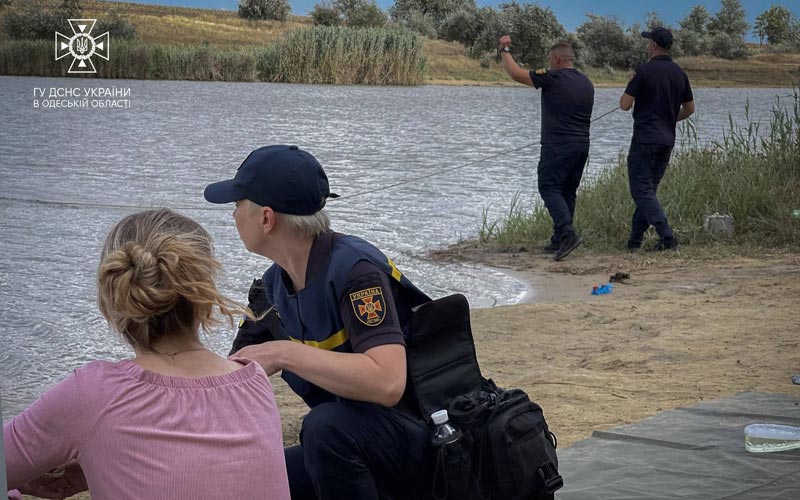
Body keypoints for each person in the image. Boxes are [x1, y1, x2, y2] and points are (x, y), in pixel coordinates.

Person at [4, 209, 290, 500]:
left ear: (113, 296)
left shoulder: (96, 391)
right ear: (204, 296)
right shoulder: (254, 381)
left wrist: (19, 486)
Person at [204, 145, 434, 500]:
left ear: (266, 218)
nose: (233, 215)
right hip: (356, 444)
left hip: (420, 443)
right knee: (251, 476)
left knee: (323, 428)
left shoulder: (357, 272)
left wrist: (283, 354)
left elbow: (388, 382)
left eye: (237, 204)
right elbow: (228, 376)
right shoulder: (271, 288)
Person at [498, 36, 595, 261]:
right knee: (568, 191)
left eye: (551, 59)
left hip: (558, 145)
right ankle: (559, 238)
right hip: (582, 145)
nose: (550, 63)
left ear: (558, 58)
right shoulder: (586, 81)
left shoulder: (554, 77)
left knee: (548, 187)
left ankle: (568, 233)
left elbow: (516, 74)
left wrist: (504, 49)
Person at [619, 27, 695, 251]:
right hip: (667, 139)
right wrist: (670, 120)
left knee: (640, 190)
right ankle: (634, 241)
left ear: (653, 45)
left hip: (645, 139)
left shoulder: (644, 71)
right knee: (648, 190)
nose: (646, 46)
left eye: (648, 42)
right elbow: (690, 109)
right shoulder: (679, 73)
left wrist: (632, 83)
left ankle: (667, 236)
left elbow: (624, 105)